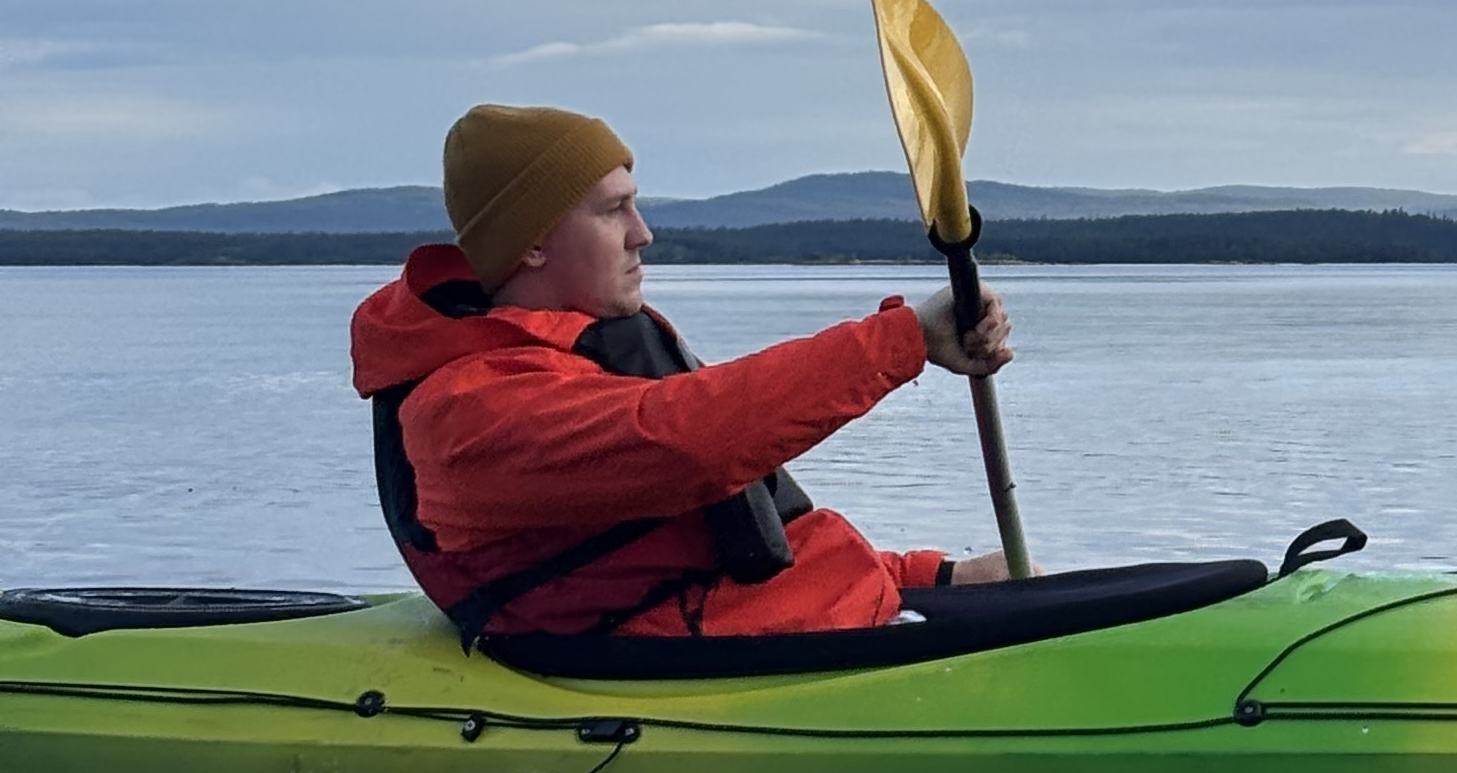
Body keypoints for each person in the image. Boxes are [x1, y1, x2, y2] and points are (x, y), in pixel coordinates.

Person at [350, 101, 1015, 646]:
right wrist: (904, 340)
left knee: (1032, 586)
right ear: (532, 242)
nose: (643, 233)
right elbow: (688, 442)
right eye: (613, 210)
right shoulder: (467, 411)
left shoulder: (574, 363)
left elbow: (720, 545)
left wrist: (936, 577)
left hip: (794, 623)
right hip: (690, 675)